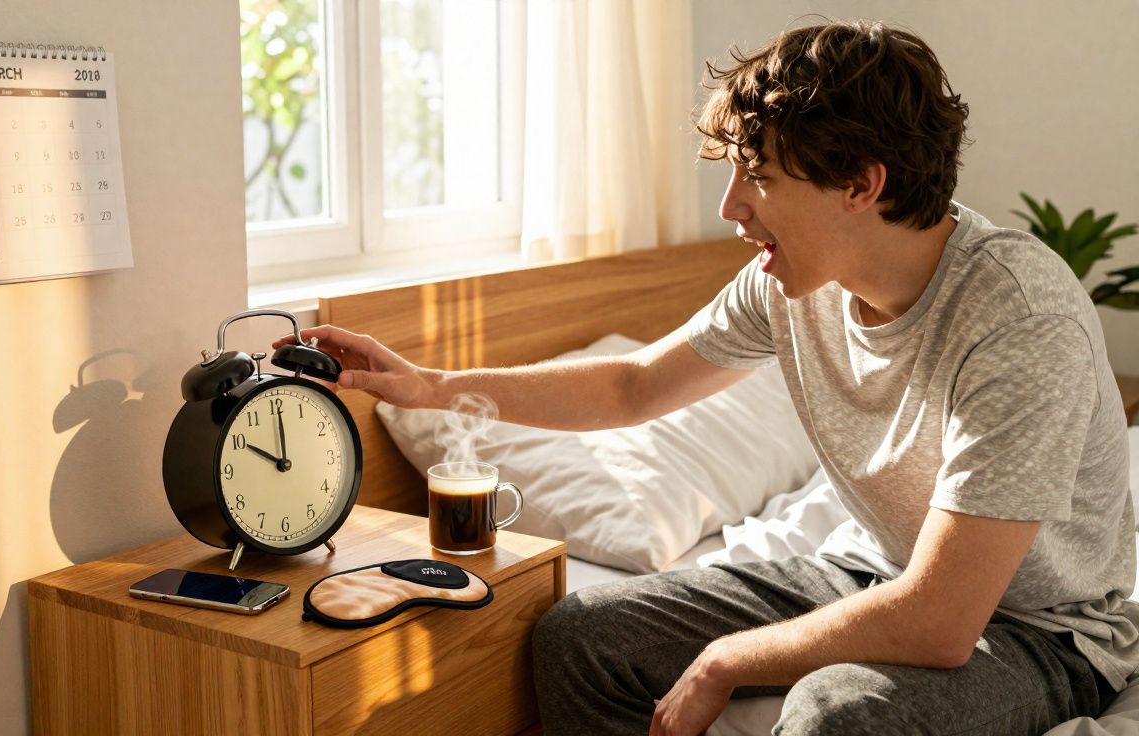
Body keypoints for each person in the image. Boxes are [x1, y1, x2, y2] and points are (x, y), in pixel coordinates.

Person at [273, 19, 1135, 736]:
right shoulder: (790, 284)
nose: (730, 208)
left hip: (1038, 631)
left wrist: (724, 660)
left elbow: (944, 623)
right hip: (874, 571)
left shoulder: (1019, 318)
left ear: (861, 186)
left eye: (757, 175)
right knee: (581, 636)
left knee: (839, 713)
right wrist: (426, 384)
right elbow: (634, 388)